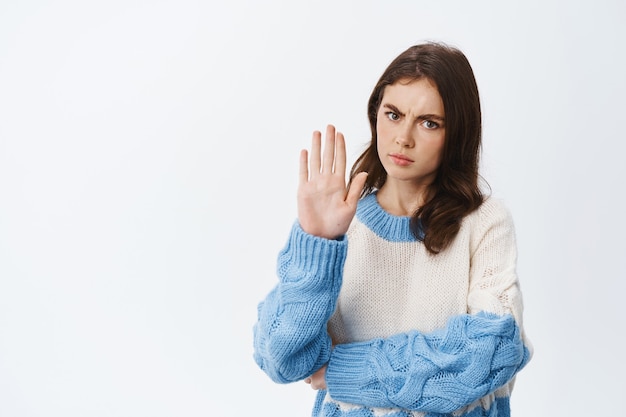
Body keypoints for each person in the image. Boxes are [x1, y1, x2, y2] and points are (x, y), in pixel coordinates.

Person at [253, 42, 532, 417]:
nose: (403, 138)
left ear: (457, 133)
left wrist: (343, 369)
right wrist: (317, 244)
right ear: (375, 115)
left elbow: (491, 352)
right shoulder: (339, 226)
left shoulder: (483, 223)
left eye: (429, 122)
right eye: (394, 114)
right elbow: (283, 359)